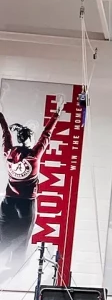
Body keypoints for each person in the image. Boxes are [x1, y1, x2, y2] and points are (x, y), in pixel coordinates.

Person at [0, 99, 64, 256]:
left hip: (8, 201)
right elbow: (46, 134)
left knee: (2, 238)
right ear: (30, 140)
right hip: (26, 204)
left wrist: (1, 117)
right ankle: (13, 268)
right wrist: (56, 114)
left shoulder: (8, 152)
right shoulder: (34, 156)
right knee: (21, 240)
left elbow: (6, 134)